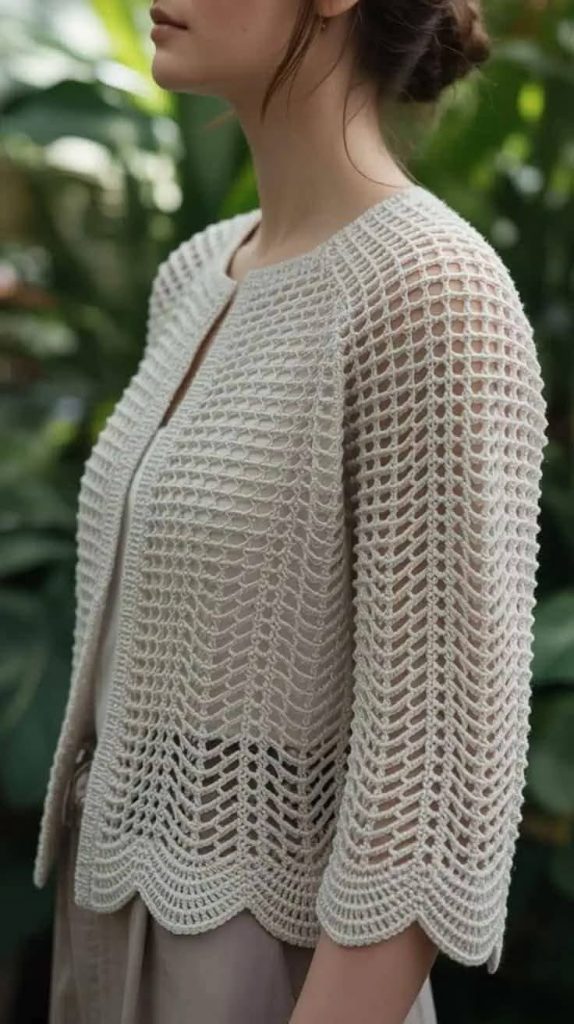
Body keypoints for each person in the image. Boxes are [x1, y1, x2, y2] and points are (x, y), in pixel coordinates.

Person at [34, 2, 548, 1023]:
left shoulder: (431, 292)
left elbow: (430, 801)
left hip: (265, 966)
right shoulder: (199, 271)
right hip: (105, 932)